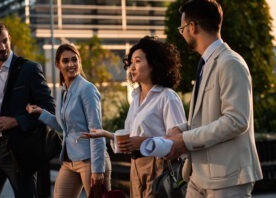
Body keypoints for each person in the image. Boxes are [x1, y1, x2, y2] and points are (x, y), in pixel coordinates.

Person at [165, 0, 263, 197]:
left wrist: (184, 139)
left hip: (228, 178)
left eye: (182, 28)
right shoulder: (206, 63)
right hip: (199, 175)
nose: (181, 33)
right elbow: (209, 117)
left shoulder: (230, 63)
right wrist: (182, 129)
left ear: (192, 27)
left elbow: (236, 121)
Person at [81, 36, 187, 198]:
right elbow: (130, 137)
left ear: (153, 63)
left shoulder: (167, 97)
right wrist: (107, 135)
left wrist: (144, 142)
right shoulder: (135, 99)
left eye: (138, 61)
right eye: (130, 63)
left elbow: (177, 139)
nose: (132, 67)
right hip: (136, 166)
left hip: (158, 167)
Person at [0, 20, 55, 197]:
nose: (3, 46)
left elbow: (49, 108)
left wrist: (15, 121)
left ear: (9, 38)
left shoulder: (29, 69)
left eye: (5, 40)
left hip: (18, 151)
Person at [26, 43, 111, 198]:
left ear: (79, 61)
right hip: (69, 161)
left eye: (74, 59)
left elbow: (96, 130)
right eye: (65, 61)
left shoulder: (87, 89)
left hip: (90, 161)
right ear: (58, 64)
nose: (71, 64)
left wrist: (98, 168)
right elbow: (63, 125)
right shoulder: (63, 91)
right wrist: (40, 112)